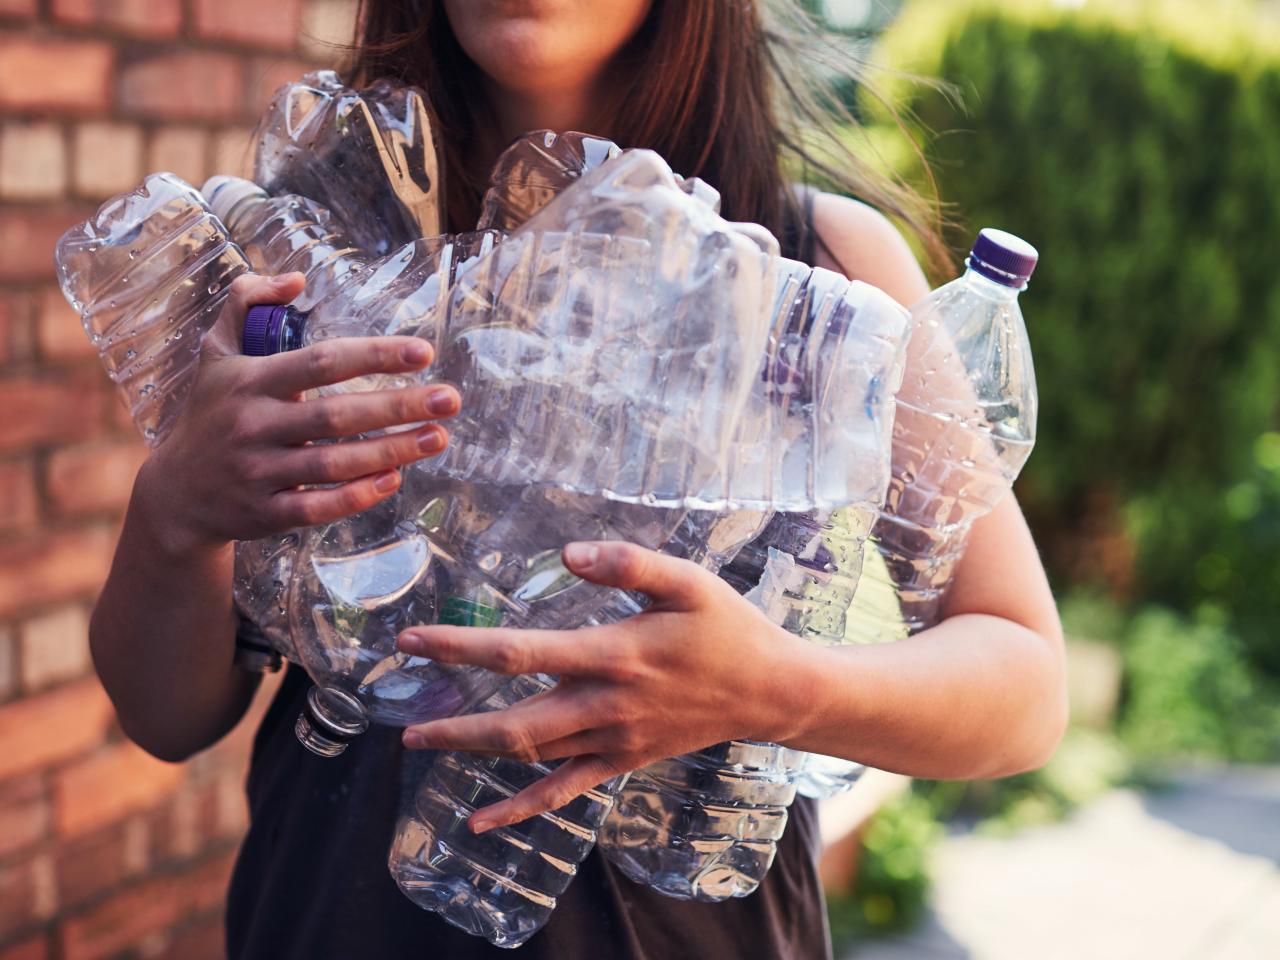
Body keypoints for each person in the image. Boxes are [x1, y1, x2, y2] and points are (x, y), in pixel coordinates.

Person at [89, 2, 1065, 957]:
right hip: (322, 919)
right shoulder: (313, 246)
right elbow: (168, 717)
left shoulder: (820, 271)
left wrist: (777, 687)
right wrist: (175, 514)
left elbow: (1022, 684)